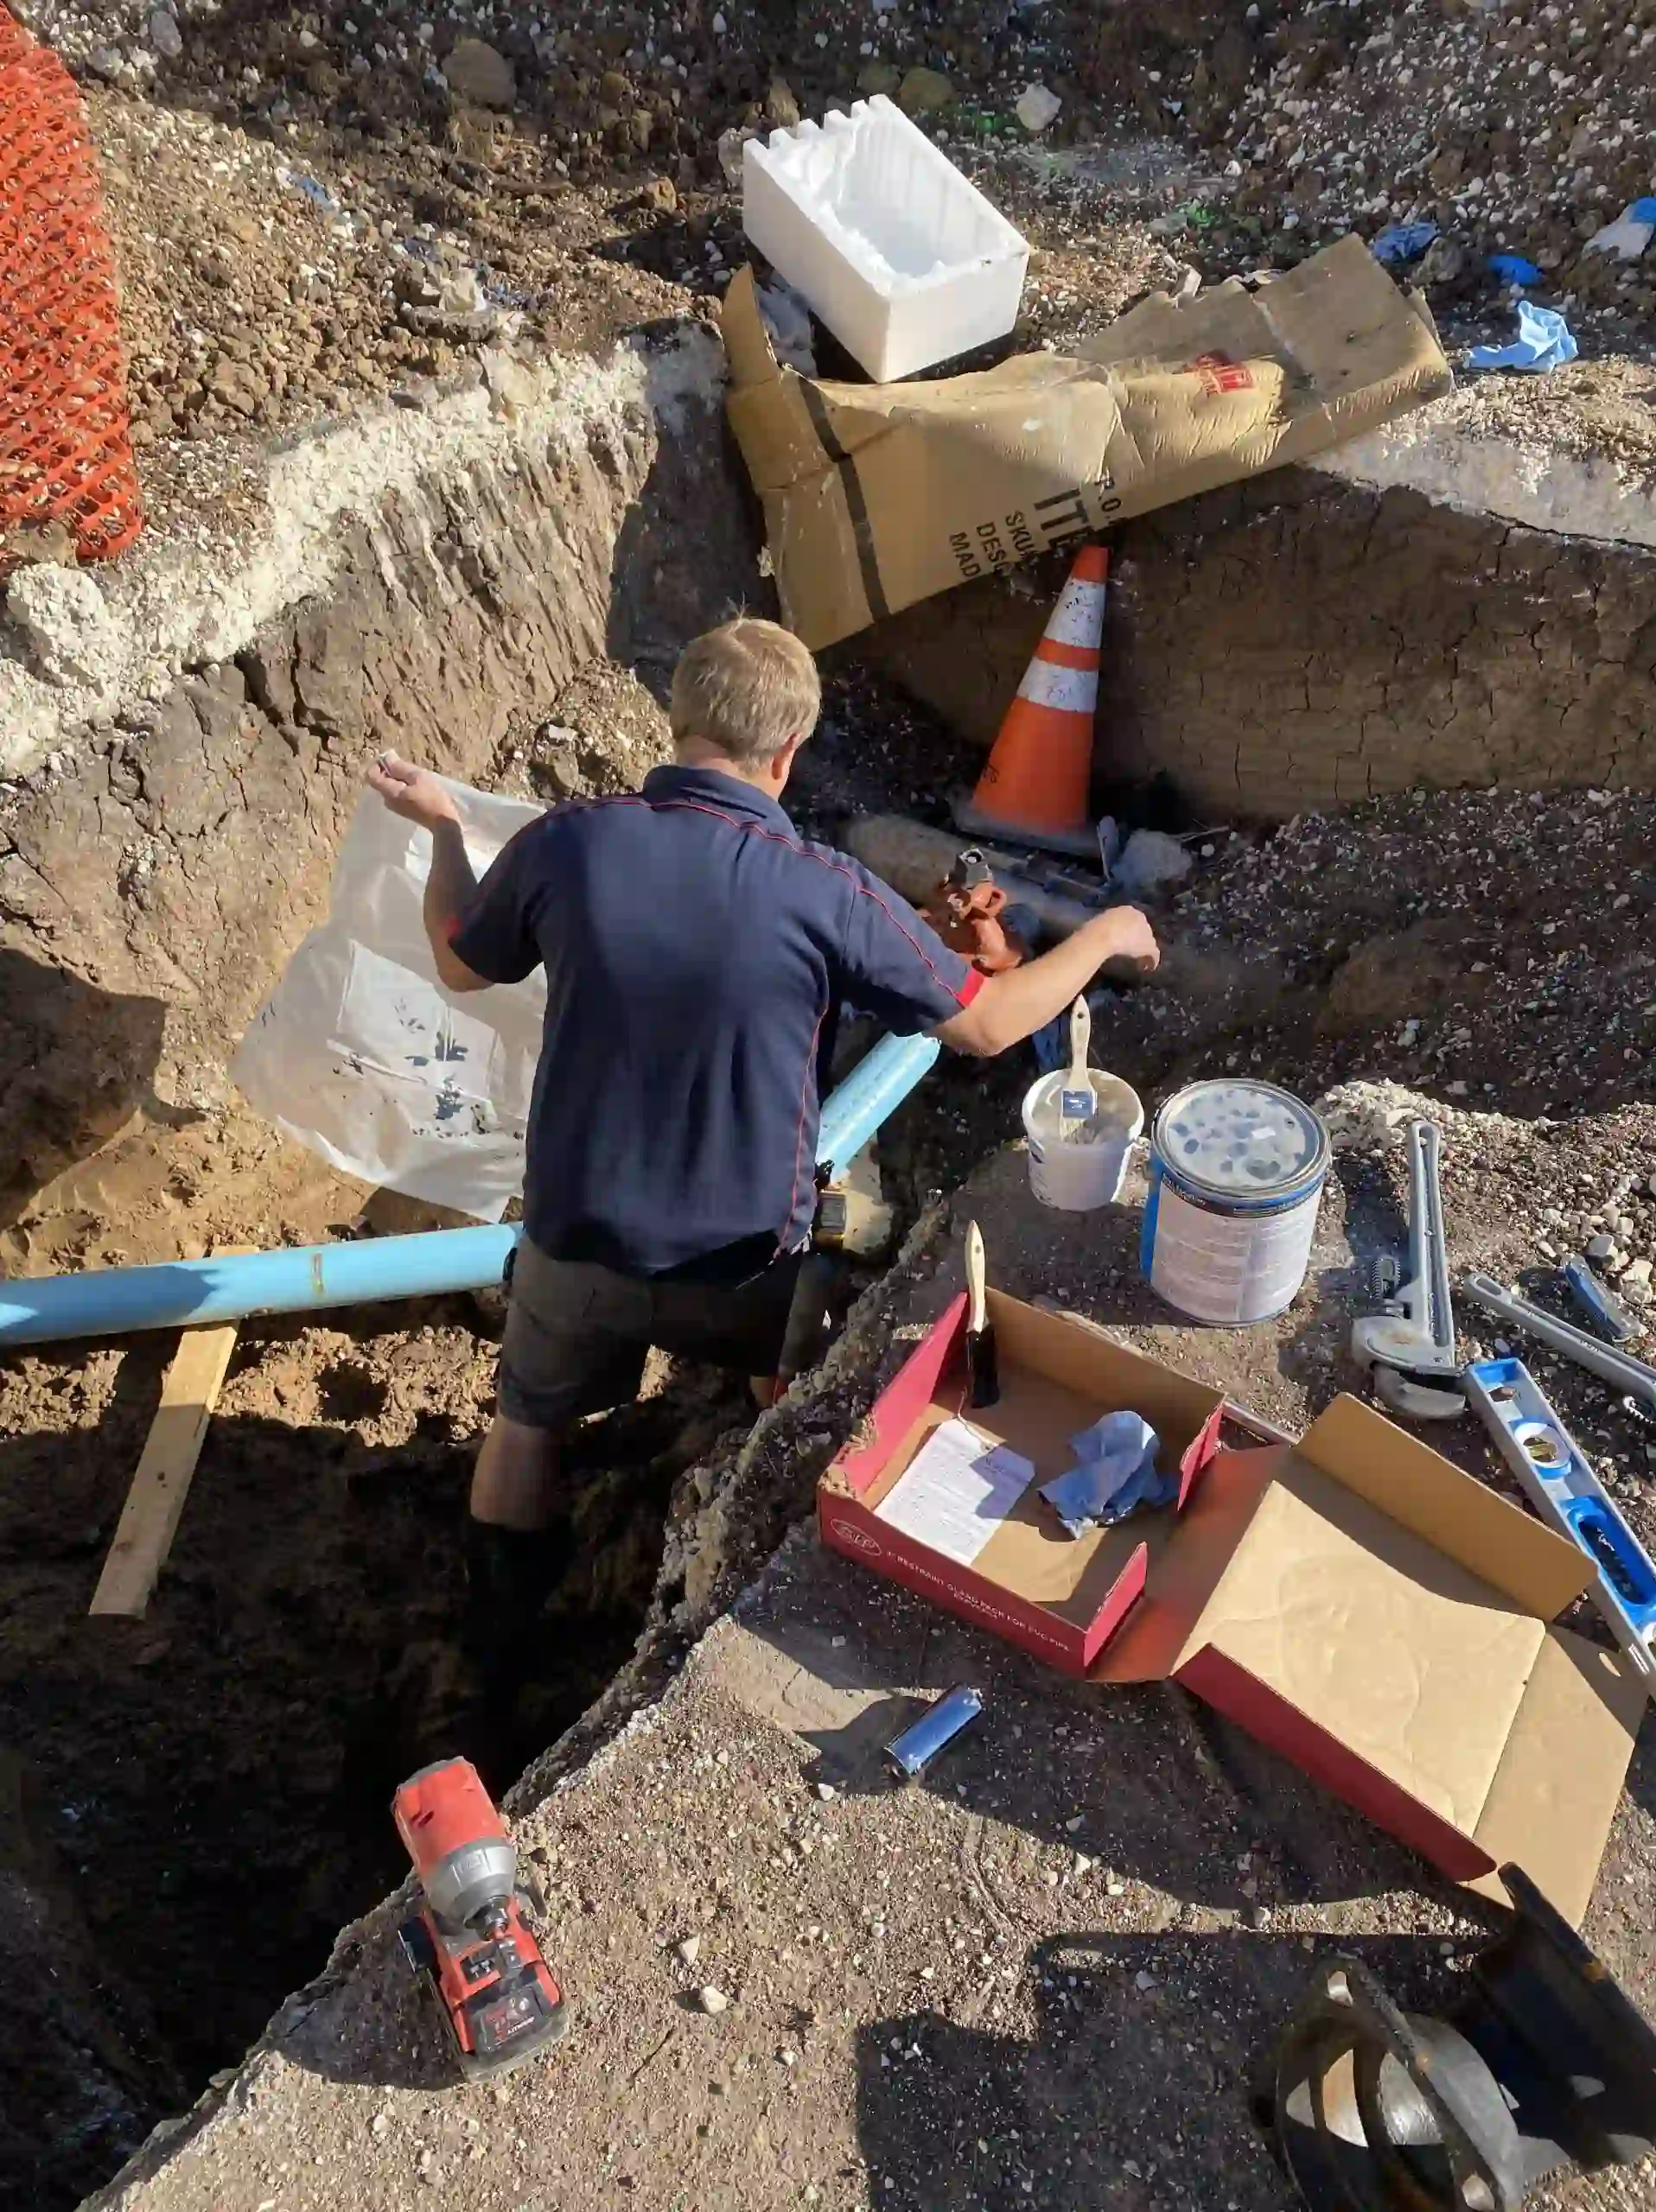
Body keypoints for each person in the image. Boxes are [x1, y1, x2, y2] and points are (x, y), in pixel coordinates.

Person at [367, 617, 1159, 1694]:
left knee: (524, 1422)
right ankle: (750, 1557)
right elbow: (986, 1023)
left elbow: (461, 961)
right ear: (787, 755)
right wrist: (1107, 930)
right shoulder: (825, 888)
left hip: (575, 1235)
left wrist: (451, 827)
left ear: (679, 719)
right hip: (741, 1253)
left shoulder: (570, 841)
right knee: (787, 1372)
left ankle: (496, 1648)